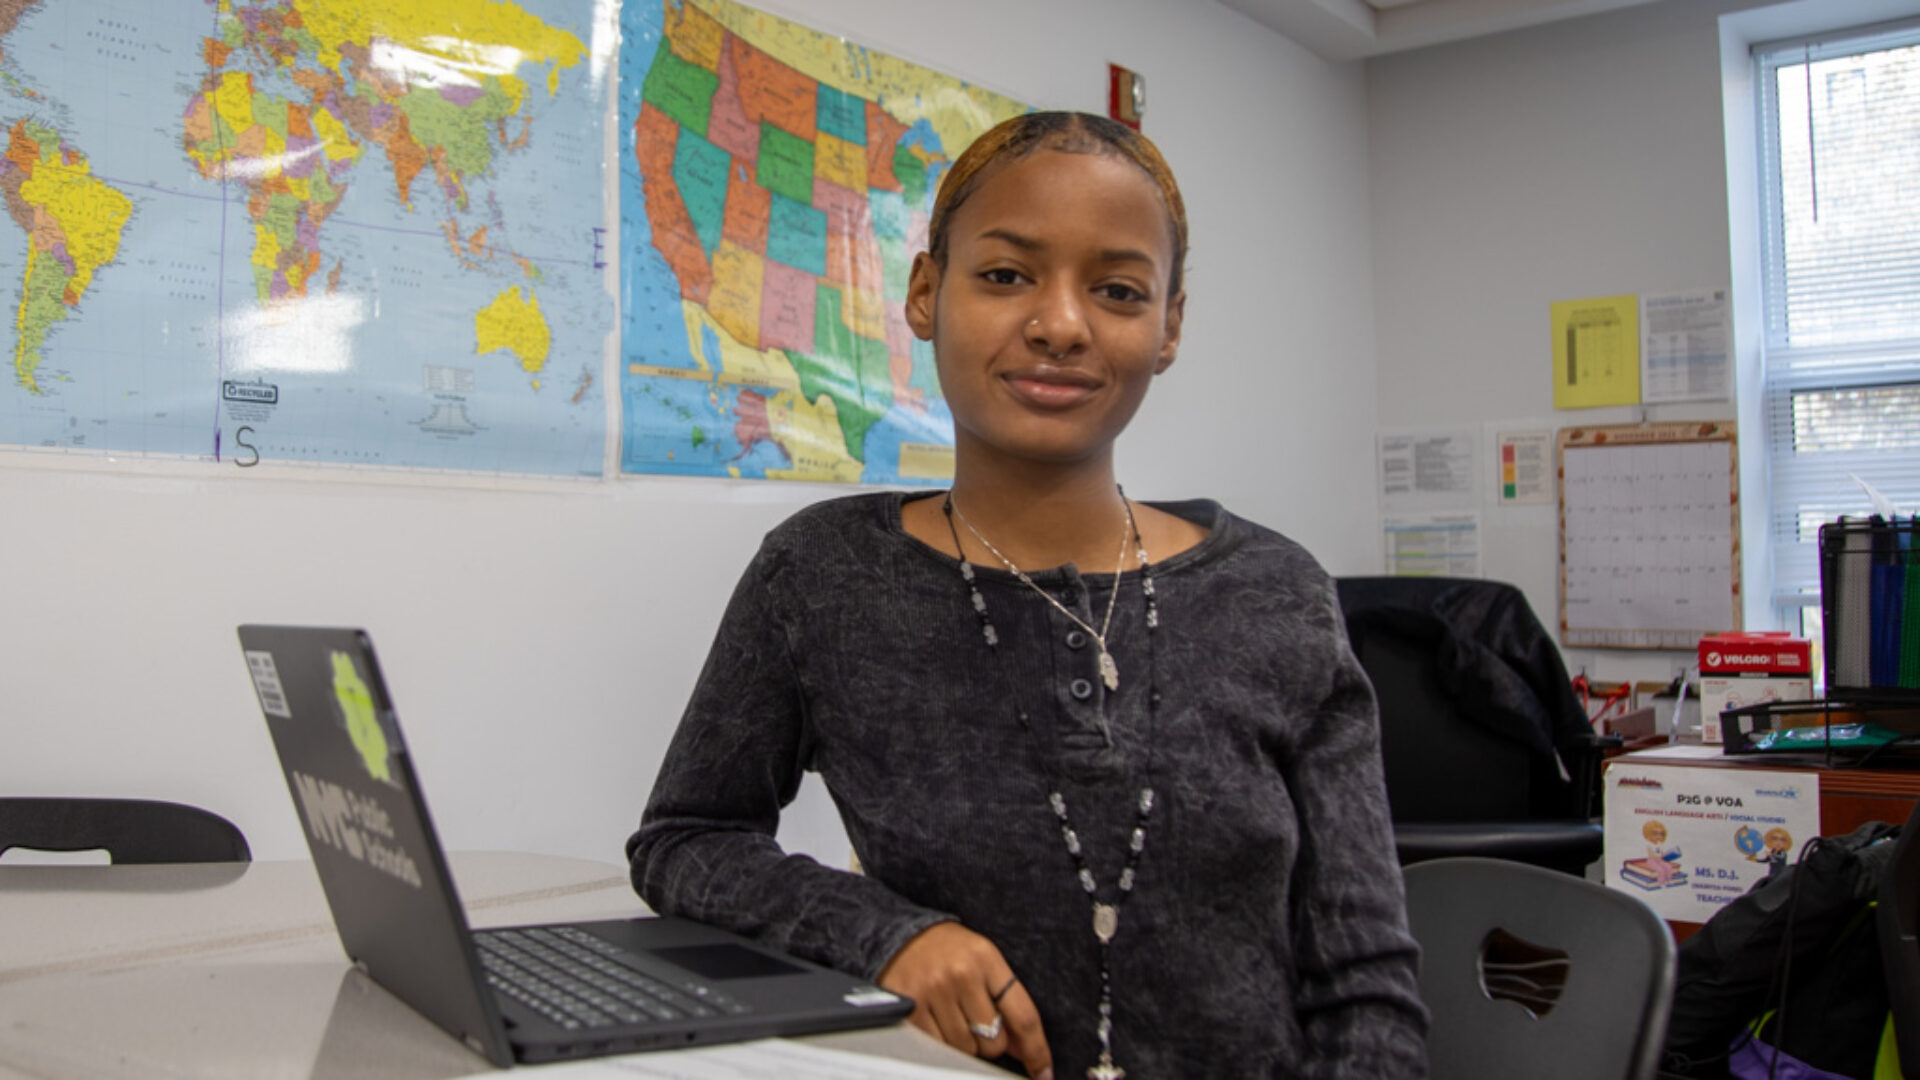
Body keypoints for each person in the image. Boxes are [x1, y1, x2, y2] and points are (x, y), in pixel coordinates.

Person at [628, 111, 1428, 1079]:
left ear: (1169, 324)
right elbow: (687, 841)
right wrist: (887, 935)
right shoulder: (821, 576)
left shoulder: (1275, 590)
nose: (1059, 324)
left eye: (1119, 290)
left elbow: (1365, 978)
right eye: (1005, 275)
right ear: (926, 291)